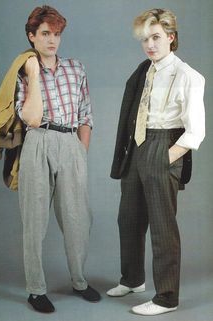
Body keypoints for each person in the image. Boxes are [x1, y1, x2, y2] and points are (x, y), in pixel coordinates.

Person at [107, 8, 205, 316]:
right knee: (129, 218)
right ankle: (133, 279)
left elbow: (196, 132)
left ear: (171, 38)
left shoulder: (188, 75)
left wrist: (166, 158)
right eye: (145, 39)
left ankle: (166, 297)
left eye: (156, 37)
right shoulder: (144, 71)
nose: (150, 45)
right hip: (137, 146)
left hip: (164, 145)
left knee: (163, 228)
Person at [13, 5, 100, 313]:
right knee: (34, 222)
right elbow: (32, 119)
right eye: (45, 34)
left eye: (57, 34)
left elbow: (86, 114)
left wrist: (80, 152)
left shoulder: (76, 68)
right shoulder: (22, 72)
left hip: (70, 142)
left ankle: (79, 280)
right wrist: (34, 73)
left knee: (78, 220)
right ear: (32, 36)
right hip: (38, 142)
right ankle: (36, 290)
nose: (52, 41)